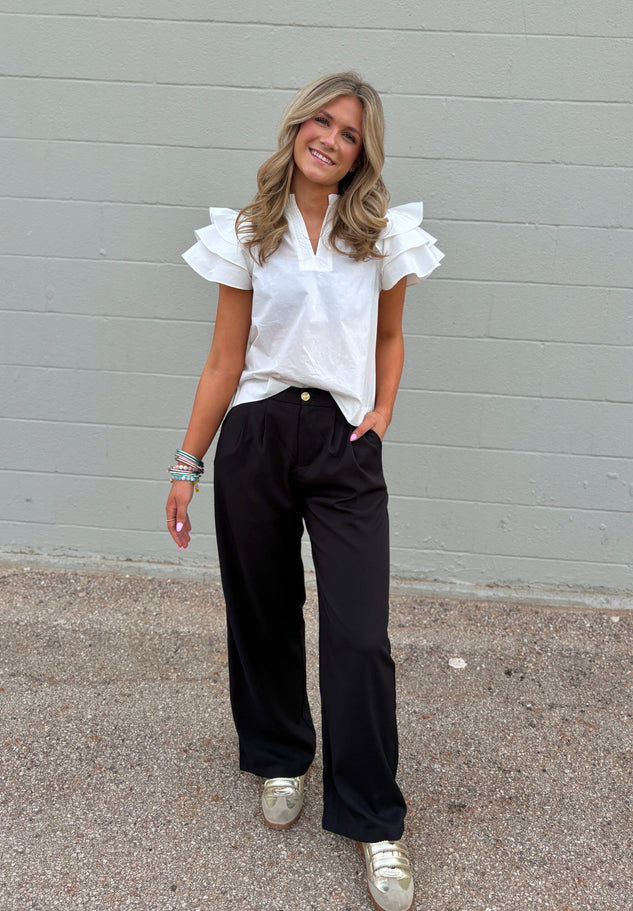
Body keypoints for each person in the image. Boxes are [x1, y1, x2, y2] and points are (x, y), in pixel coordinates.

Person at [166, 71, 443, 911]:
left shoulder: (382, 234)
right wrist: (188, 463)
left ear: (363, 153)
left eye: (349, 132)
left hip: (343, 443)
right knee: (262, 605)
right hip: (256, 431)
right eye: (321, 121)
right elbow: (225, 359)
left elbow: (389, 338)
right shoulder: (249, 232)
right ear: (296, 129)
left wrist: (383, 412)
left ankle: (374, 820)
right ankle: (284, 751)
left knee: (359, 635)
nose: (331, 138)